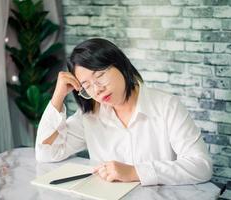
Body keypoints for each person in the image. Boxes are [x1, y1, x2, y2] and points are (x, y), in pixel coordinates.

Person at [35, 38, 212, 186]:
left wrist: (135, 172)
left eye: (100, 75)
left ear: (120, 65)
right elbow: (47, 153)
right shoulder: (89, 116)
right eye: (86, 85)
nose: (97, 89)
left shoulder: (167, 106)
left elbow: (201, 166)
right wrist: (57, 97)